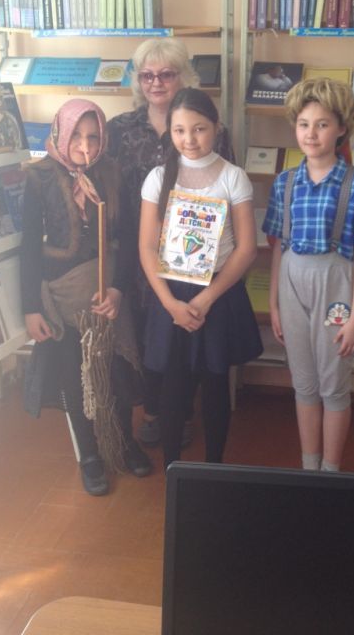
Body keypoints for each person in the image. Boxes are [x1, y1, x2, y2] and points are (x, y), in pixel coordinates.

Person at [20, 98, 152, 496]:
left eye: (93, 137)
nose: (85, 145)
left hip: (106, 293)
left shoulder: (111, 172)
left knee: (115, 371)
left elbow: (127, 238)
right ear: (60, 132)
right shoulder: (39, 176)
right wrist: (31, 308)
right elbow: (29, 246)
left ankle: (123, 442)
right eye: (76, 135)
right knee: (76, 376)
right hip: (63, 297)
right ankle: (90, 455)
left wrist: (118, 289)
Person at [107, 38, 234, 448]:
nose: (155, 82)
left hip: (196, 253)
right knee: (147, 331)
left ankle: (183, 411)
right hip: (138, 250)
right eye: (147, 75)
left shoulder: (213, 129)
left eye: (165, 74)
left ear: (184, 77)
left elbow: (227, 191)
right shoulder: (120, 129)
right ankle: (154, 410)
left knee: (189, 331)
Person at [263, 78, 354, 472]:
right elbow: (278, 246)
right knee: (303, 382)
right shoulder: (284, 183)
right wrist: (274, 302)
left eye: (322, 124)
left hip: (337, 286)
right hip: (292, 283)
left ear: (341, 128)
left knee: (333, 383)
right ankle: (308, 465)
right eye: (303, 124)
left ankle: (330, 471)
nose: (311, 134)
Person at [139, 88, 262, 469]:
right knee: (173, 386)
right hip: (171, 295)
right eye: (179, 130)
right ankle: (173, 468)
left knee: (215, 383)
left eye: (199, 129)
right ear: (170, 131)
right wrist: (170, 304)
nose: (189, 139)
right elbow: (147, 247)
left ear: (216, 127)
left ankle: (213, 467)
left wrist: (206, 299)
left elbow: (246, 249)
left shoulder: (233, 177)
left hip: (218, 294)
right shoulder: (158, 178)